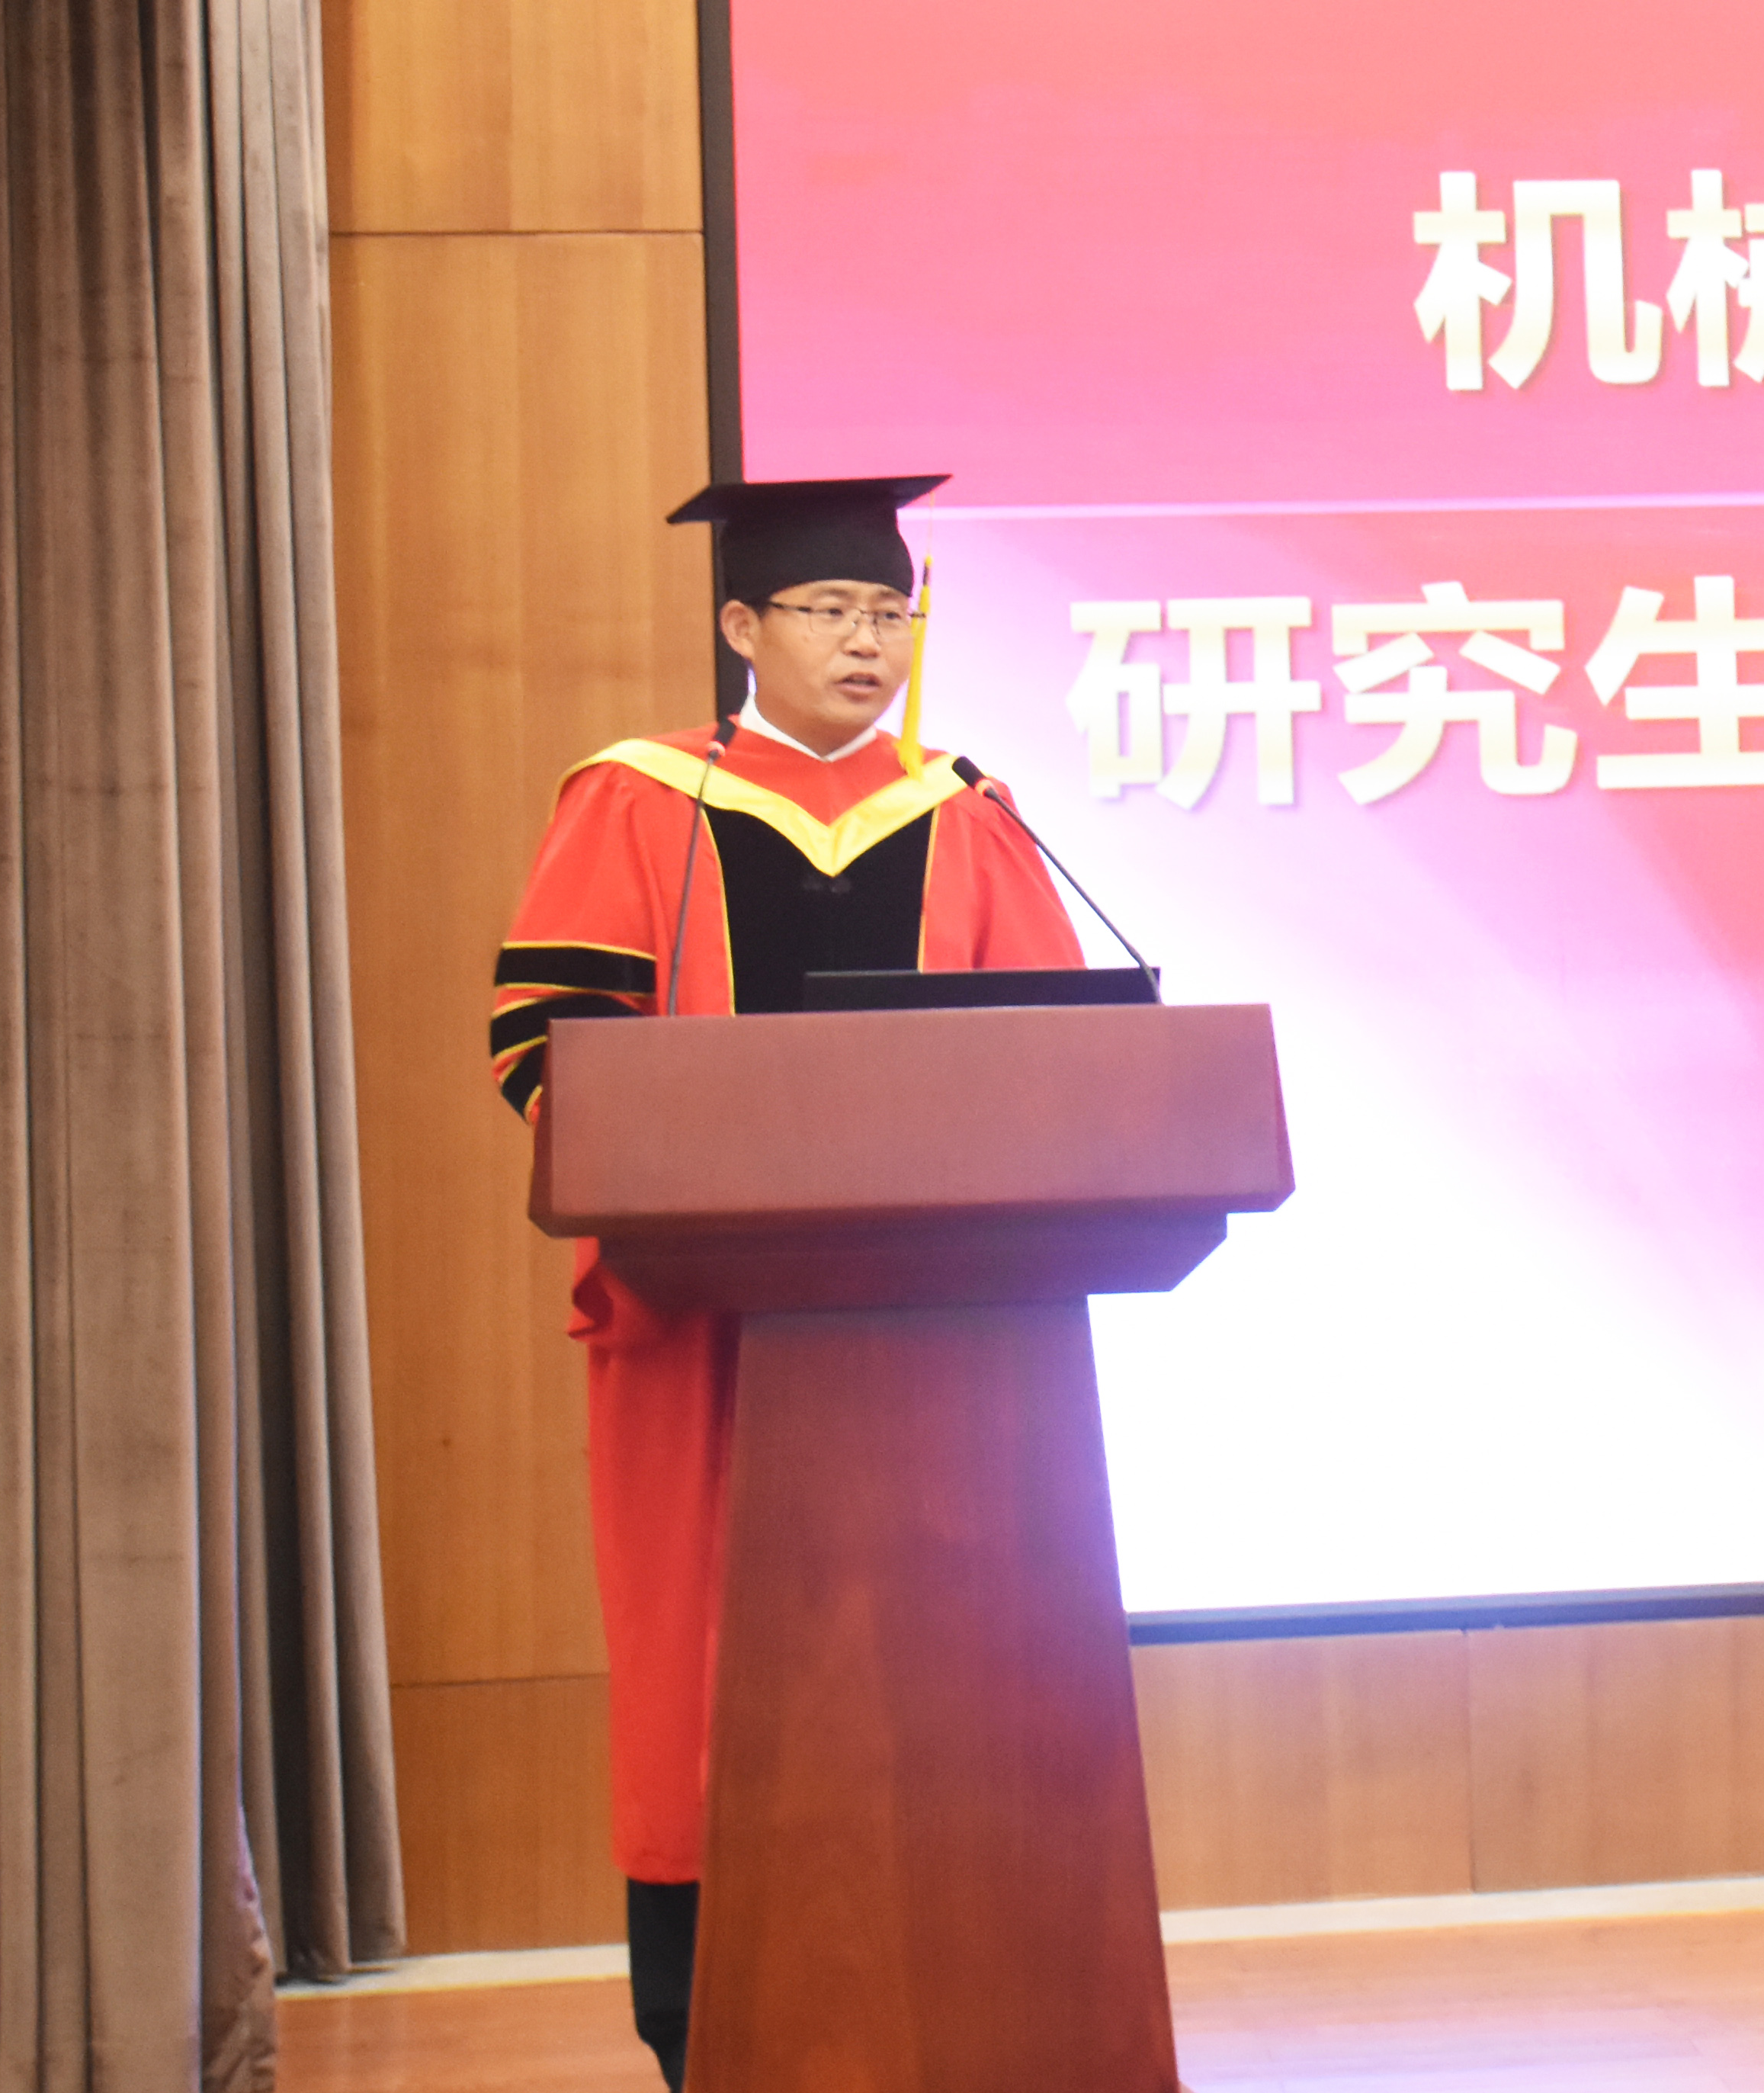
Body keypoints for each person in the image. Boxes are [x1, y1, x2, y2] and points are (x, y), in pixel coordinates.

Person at [486, 475, 1082, 2090]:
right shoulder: (636, 800)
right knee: (700, 1657)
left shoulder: (968, 809)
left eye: (889, 612)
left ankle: (968, 2005)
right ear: (742, 625)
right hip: (706, 1325)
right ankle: (709, 2030)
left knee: (949, 1661)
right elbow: (546, 1044)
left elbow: (1066, 1057)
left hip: (937, 1335)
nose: (867, 641)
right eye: (829, 610)